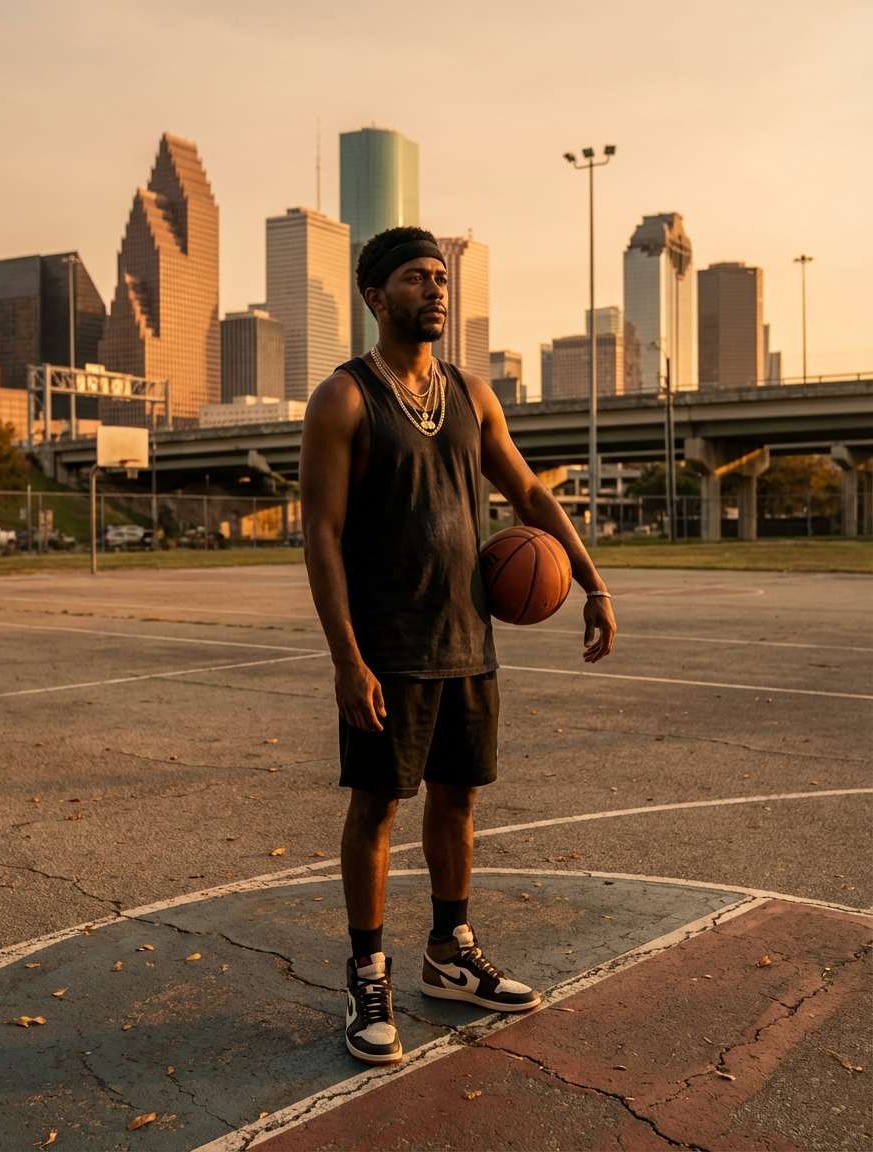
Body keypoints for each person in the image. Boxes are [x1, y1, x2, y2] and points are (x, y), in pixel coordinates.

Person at [300, 227, 617, 1065]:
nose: (435, 289)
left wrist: (592, 583)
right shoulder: (343, 399)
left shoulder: (472, 395)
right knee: (376, 807)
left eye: (441, 277)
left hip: (468, 639)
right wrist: (346, 659)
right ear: (376, 296)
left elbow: (529, 493)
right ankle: (368, 976)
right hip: (388, 646)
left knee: (458, 800)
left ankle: (450, 953)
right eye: (416, 277)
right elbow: (321, 535)